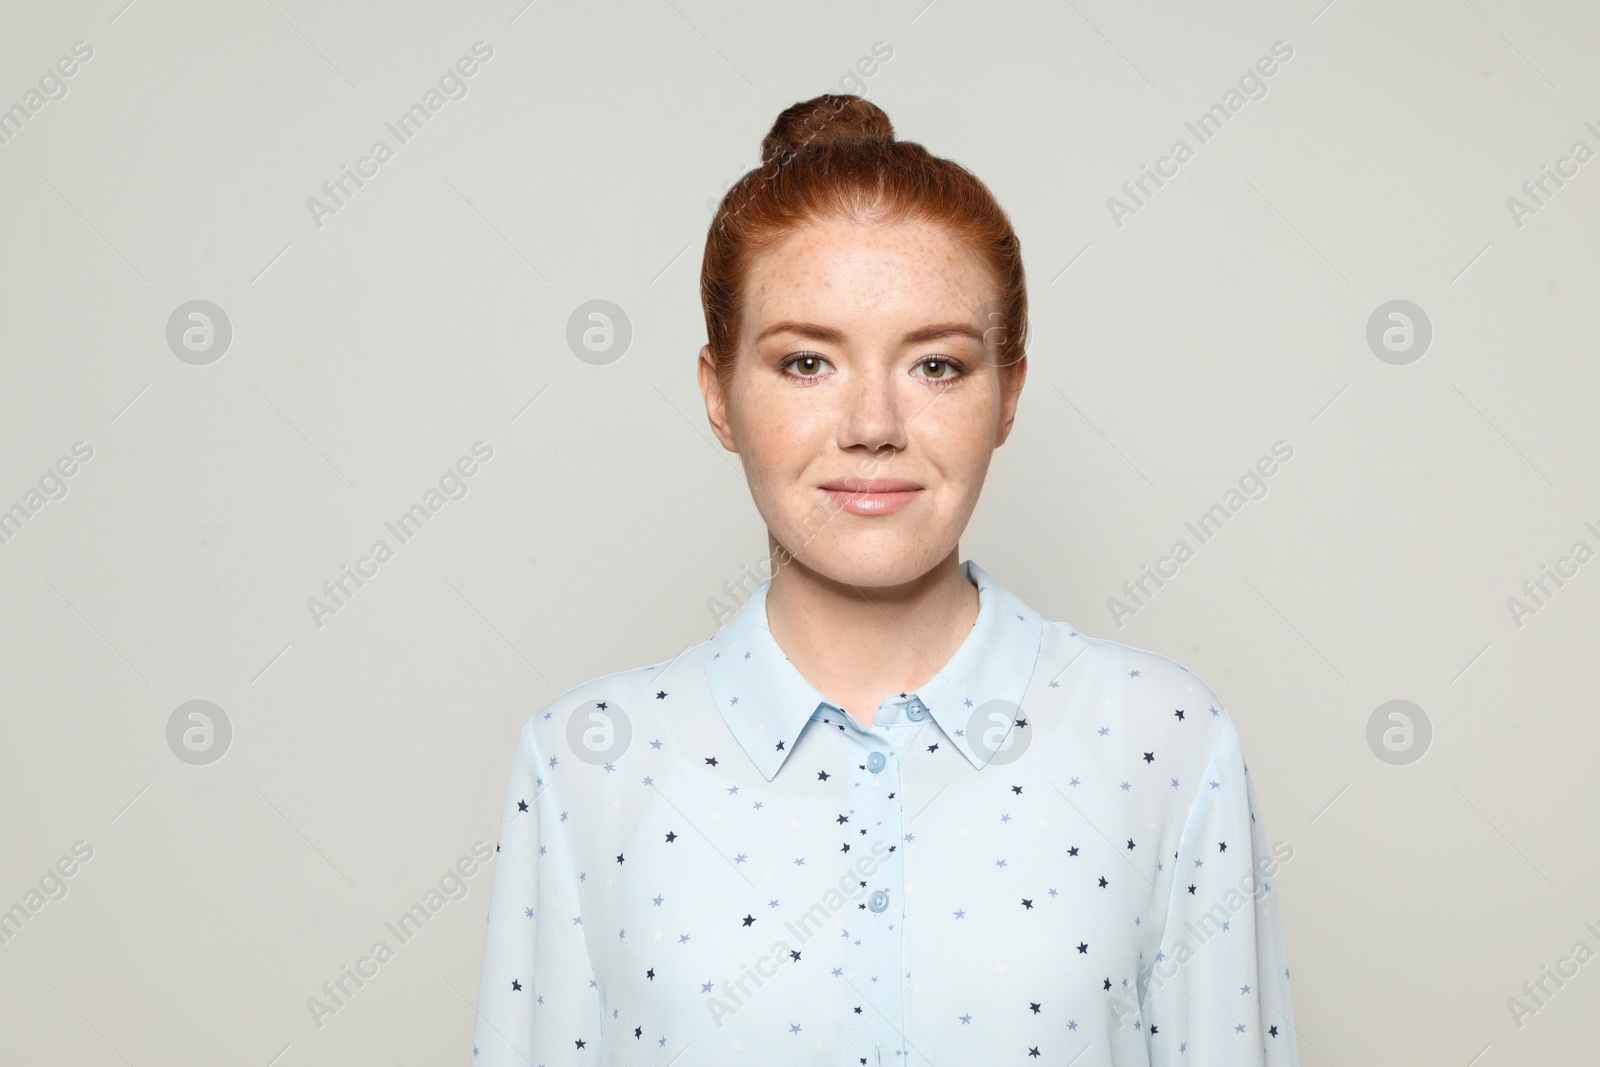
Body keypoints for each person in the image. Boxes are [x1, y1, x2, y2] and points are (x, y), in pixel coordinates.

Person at [471, 93, 1299, 1066]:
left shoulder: (1162, 738)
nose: (873, 423)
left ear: (1008, 395)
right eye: (807, 360)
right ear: (717, 393)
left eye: (936, 366)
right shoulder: (584, 763)